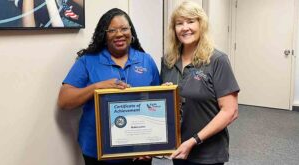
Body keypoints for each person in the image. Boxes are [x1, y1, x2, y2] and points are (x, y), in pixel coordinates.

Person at [58, 8, 160, 165]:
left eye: (124, 28)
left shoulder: (146, 60)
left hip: (139, 150)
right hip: (97, 150)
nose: (119, 34)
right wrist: (97, 87)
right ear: (104, 35)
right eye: (112, 30)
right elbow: (64, 101)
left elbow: (158, 104)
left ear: (131, 32)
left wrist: (153, 145)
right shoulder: (88, 61)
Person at [161, 1, 240, 165]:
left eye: (191, 21)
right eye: (179, 23)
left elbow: (230, 111)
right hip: (178, 148)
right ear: (174, 29)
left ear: (201, 25)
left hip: (207, 153)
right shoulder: (168, 61)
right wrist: (165, 95)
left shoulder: (218, 60)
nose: (185, 27)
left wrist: (193, 141)